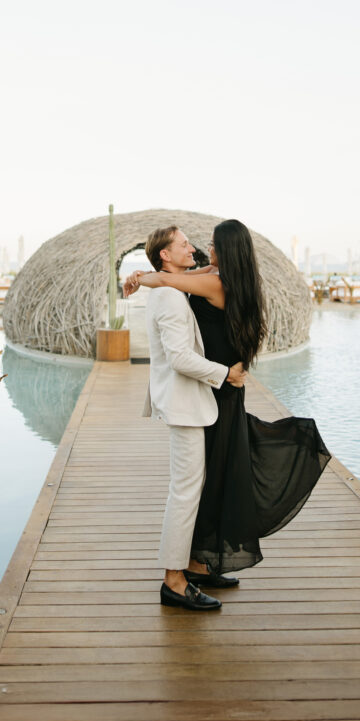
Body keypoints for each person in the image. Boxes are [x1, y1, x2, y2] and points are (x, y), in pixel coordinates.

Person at [125, 219, 331, 576]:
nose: (204, 251)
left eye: (213, 246)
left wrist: (140, 278)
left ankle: (193, 562)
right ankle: (198, 560)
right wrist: (147, 274)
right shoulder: (223, 277)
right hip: (215, 388)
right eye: (189, 244)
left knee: (209, 480)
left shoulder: (214, 283)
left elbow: (170, 279)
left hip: (219, 389)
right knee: (209, 479)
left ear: (228, 251)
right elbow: (180, 277)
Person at [141, 224, 247, 612]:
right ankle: (173, 580)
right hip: (185, 404)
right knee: (185, 492)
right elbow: (179, 358)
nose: (193, 248)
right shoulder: (169, 297)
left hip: (189, 403)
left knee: (189, 489)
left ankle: (190, 565)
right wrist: (226, 374)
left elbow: (205, 275)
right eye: (183, 244)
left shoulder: (171, 288)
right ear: (166, 255)